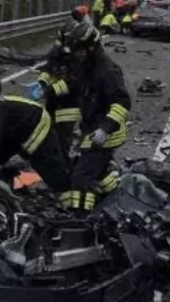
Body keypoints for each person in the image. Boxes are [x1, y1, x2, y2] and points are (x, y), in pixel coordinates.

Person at [60, 23, 131, 214]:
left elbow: (122, 102)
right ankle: (115, 194)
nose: (77, 55)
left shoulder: (108, 70)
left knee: (81, 177)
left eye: (80, 51)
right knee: (95, 171)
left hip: (106, 134)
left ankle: (82, 217)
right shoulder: (87, 66)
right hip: (90, 128)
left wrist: (105, 129)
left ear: (91, 48)